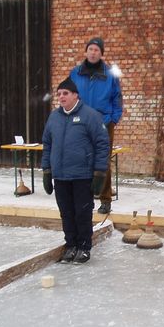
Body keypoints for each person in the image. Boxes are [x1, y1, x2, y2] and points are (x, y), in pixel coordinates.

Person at [42, 78, 110, 264]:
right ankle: (70, 245)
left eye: (65, 93)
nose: (62, 97)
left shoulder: (90, 116)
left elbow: (102, 145)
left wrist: (99, 173)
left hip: (82, 175)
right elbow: (47, 144)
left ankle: (84, 247)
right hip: (61, 175)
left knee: (82, 213)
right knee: (66, 212)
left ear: (75, 95)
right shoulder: (54, 117)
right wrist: (47, 170)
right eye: (59, 94)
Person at [69, 37, 123, 215]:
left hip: (104, 123)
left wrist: (114, 119)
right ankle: (85, 198)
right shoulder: (76, 73)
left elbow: (117, 97)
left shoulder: (110, 74)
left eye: (97, 50)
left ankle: (105, 199)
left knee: (103, 162)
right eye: (90, 49)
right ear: (86, 52)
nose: (93, 52)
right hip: (81, 122)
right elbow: (69, 95)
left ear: (101, 54)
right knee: (82, 160)